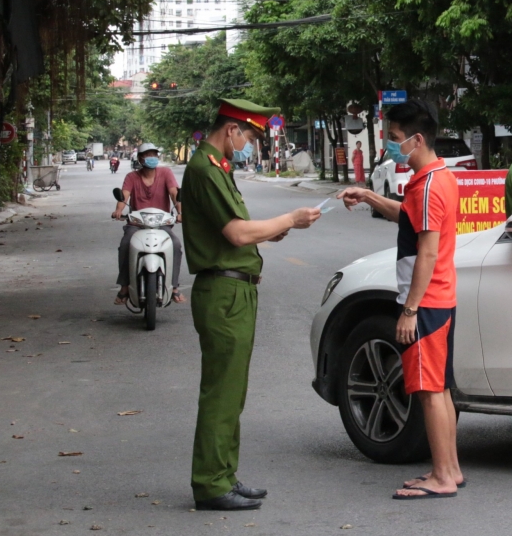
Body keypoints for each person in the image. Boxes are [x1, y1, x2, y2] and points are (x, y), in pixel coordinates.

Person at [181, 98, 322, 511]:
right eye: (250, 136)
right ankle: (210, 484)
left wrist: (272, 231)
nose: (250, 145)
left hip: (235, 291)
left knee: (233, 392)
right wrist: (289, 220)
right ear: (231, 130)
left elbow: (238, 232)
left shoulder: (218, 168)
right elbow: (238, 234)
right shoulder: (205, 169)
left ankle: (224, 474)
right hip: (223, 293)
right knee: (221, 393)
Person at [337, 100, 463, 500]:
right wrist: (370, 197)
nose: (391, 147)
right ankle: (451, 469)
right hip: (439, 298)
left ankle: (441, 477)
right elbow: (409, 217)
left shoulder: (427, 187)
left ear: (417, 139)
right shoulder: (437, 178)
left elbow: (426, 251)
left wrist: (409, 309)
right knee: (438, 389)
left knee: (427, 392)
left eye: (394, 140)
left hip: (426, 304)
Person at [111, 143, 185, 305]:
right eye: (147, 155)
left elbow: (174, 193)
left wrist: (180, 212)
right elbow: (124, 196)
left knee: (176, 245)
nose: (152, 158)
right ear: (140, 158)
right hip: (137, 224)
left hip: (162, 224)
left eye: (154, 155)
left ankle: (174, 286)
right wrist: (118, 210)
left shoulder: (166, 173)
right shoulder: (132, 177)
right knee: (125, 244)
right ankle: (124, 287)